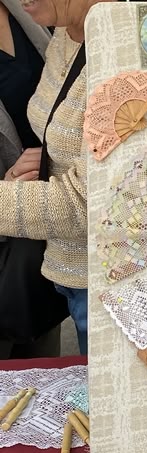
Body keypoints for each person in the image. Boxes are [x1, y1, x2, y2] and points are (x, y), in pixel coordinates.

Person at [1, 0, 113, 355]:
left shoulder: (118, 43)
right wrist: (51, 158)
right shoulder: (67, 30)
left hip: (106, 279)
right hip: (64, 265)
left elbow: (89, 201)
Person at [0, 0, 67, 359]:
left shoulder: (31, 11)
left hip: (45, 228)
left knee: (42, 381)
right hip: (10, 217)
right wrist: (7, 188)